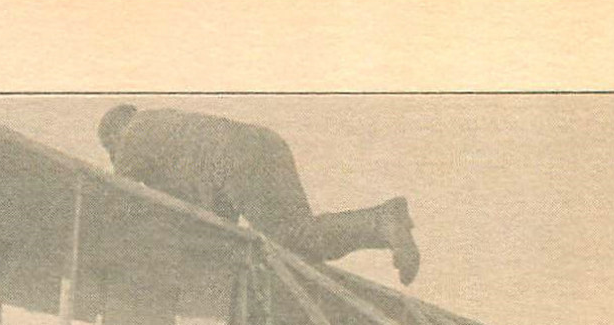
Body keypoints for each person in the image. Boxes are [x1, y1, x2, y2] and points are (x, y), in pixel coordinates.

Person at [97, 104, 421, 285]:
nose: (114, 156)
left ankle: (380, 221)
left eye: (110, 149)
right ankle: (380, 226)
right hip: (264, 144)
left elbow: (116, 197)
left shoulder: (135, 134)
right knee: (301, 238)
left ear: (115, 134)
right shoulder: (173, 132)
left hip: (235, 157)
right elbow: (214, 219)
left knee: (293, 237)